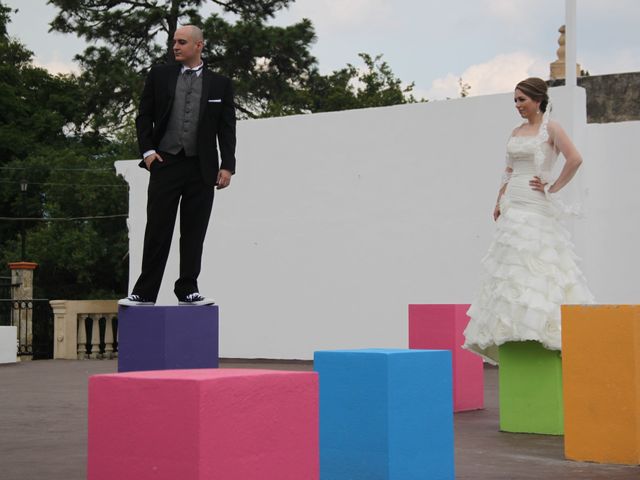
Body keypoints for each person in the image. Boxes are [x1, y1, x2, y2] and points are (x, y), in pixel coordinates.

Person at [463, 77, 594, 363]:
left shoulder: (552, 128)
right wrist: (498, 200)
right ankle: (515, 330)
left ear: (538, 100)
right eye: (515, 100)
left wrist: (553, 186)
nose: (518, 105)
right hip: (513, 202)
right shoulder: (516, 131)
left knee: (538, 262)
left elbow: (574, 159)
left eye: (522, 100)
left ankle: (544, 330)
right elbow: (508, 170)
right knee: (511, 265)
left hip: (536, 204)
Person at [119, 25, 236, 307]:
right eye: (174, 42)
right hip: (165, 162)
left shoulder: (220, 84)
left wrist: (227, 165)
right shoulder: (160, 75)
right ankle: (145, 293)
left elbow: (227, 127)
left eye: (181, 42)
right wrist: (147, 152)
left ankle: (188, 289)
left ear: (199, 46)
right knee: (158, 229)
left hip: (202, 167)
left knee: (194, 232)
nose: (175, 46)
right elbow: (143, 116)